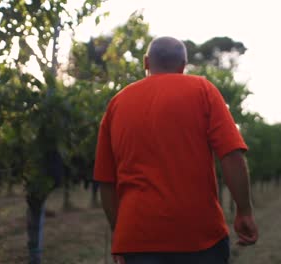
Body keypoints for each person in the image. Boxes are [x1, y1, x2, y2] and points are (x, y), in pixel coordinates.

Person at [94, 36, 258, 264]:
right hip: (200, 236)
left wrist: (120, 234)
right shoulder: (203, 90)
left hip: (138, 237)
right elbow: (231, 154)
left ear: (146, 62)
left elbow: (106, 181)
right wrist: (244, 211)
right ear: (183, 65)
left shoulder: (117, 104)